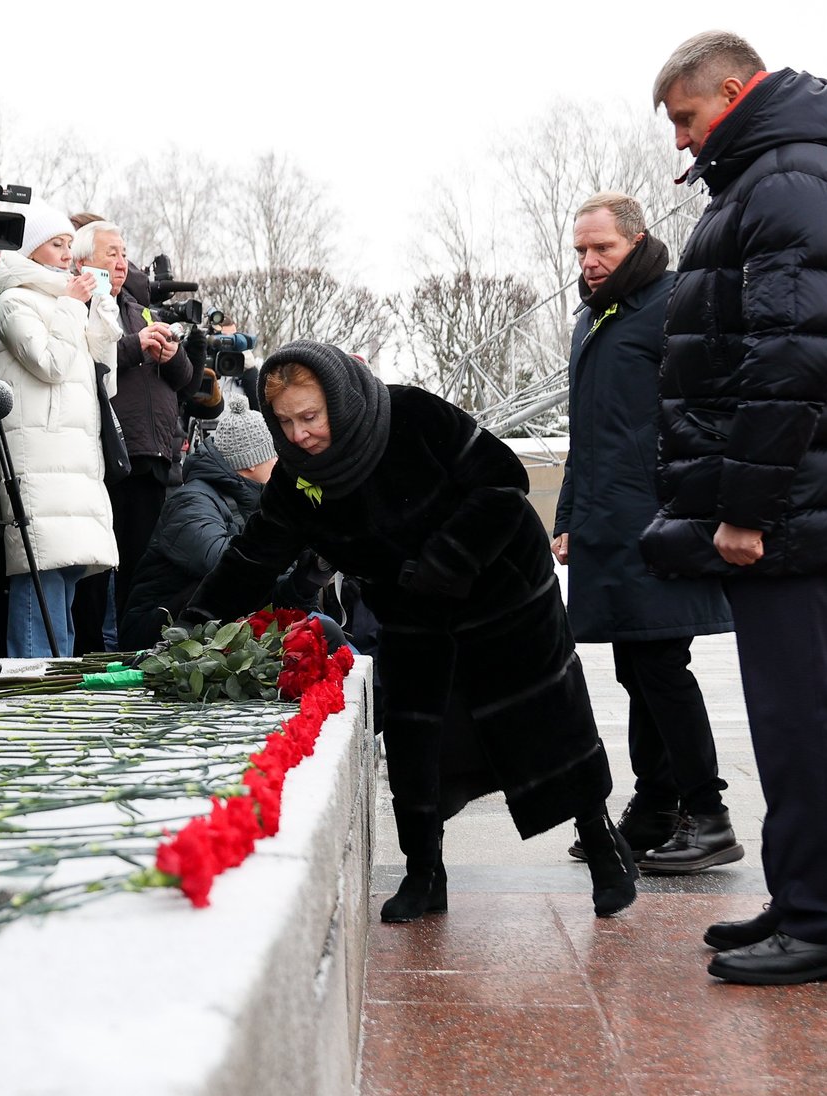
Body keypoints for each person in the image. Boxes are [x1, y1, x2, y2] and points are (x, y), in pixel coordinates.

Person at [186, 341, 640, 922]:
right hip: (412, 608)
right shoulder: (300, 479)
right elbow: (255, 554)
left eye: (310, 417)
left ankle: (603, 846)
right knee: (416, 735)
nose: (298, 435)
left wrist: (447, 561)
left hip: (502, 589)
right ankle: (425, 873)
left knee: (542, 719)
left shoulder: (412, 416)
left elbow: (503, 479)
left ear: (340, 402)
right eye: (285, 423)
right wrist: (199, 621)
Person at [642, 32, 827, 984]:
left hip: (792, 507)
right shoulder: (776, 175)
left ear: (735, 93)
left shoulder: (786, 178)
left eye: (685, 116)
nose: (679, 139)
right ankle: (803, 901)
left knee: (803, 720)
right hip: (803, 499)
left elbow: (794, 356)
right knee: (794, 716)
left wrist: (744, 507)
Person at [552, 193, 740, 874]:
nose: (590, 260)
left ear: (636, 241)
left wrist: (695, 496)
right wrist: (569, 513)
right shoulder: (594, 317)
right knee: (637, 665)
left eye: (602, 247)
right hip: (610, 519)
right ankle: (658, 806)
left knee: (660, 665)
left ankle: (708, 814)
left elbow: (715, 409)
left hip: (660, 516)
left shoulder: (673, 305)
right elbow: (587, 431)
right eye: (580, 249)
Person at [0, 202, 123, 658]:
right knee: (40, 572)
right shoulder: (14, 299)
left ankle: (55, 683)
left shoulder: (64, 301)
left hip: (72, 459)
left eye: (70, 244)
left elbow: (106, 374)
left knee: (64, 573)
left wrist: (100, 309)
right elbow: (49, 362)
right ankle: (32, 688)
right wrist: (71, 305)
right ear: (30, 249)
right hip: (39, 455)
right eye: (57, 244)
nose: (68, 254)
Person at [74, 221, 198, 651]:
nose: (121, 261)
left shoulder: (139, 307)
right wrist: (134, 346)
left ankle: (134, 650)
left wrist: (172, 352)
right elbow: (90, 360)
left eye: (124, 252)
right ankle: (91, 652)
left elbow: (185, 382)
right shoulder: (82, 300)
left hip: (153, 455)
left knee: (140, 569)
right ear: (83, 259)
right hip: (110, 455)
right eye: (111, 253)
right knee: (98, 567)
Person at [120, 395, 282, 651]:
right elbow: (226, 563)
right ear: (251, 461)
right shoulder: (190, 501)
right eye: (273, 455)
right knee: (229, 580)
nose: (279, 463)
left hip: (195, 630)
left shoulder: (249, 499)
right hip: (155, 633)